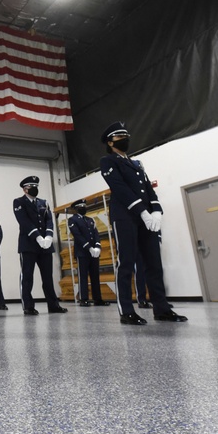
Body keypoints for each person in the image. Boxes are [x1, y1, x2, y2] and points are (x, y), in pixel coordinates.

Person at [99, 121, 187, 324]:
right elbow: (120, 188)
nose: (125, 140)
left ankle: (162, 308)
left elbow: (148, 188)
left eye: (126, 136)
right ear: (111, 142)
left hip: (146, 217)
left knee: (154, 263)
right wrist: (142, 212)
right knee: (127, 263)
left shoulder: (136, 164)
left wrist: (156, 210)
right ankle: (126, 311)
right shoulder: (108, 161)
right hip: (125, 217)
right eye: (120, 137)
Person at [13, 176, 68, 316]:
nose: (34, 188)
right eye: (31, 186)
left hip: (45, 245)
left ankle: (53, 305)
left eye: (36, 185)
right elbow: (24, 221)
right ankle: (28, 306)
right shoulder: (19, 202)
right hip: (29, 244)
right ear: (24, 189)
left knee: (48, 277)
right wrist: (37, 236)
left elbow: (49, 219)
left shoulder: (43, 202)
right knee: (27, 276)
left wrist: (49, 236)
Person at [68, 199, 110, 307]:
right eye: (81, 206)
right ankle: (84, 298)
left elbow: (96, 234)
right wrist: (89, 248)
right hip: (82, 252)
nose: (83, 208)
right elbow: (77, 235)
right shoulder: (72, 220)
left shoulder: (90, 220)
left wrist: (97, 247)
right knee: (83, 276)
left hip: (94, 253)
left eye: (84, 206)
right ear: (76, 208)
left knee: (95, 275)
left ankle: (98, 299)